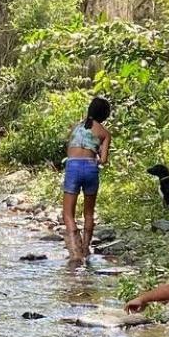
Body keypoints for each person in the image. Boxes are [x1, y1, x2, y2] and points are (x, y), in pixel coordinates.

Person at [62, 96, 111, 262]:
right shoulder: (104, 133)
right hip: (90, 168)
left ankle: (75, 253)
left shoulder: (76, 127)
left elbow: (70, 147)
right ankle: (86, 250)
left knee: (68, 214)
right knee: (88, 213)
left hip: (73, 167)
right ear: (105, 115)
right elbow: (103, 160)